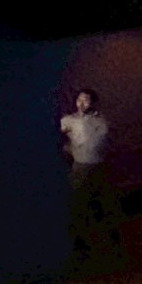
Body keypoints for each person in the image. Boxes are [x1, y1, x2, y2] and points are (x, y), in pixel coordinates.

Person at [59, 89, 120, 261]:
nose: (81, 103)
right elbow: (60, 140)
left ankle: (112, 239)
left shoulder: (101, 120)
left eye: (86, 100)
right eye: (79, 99)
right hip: (80, 167)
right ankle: (79, 242)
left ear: (93, 102)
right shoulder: (68, 120)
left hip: (100, 167)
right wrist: (68, 150)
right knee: (79, 205)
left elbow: (108, 140)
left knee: (105, 203)